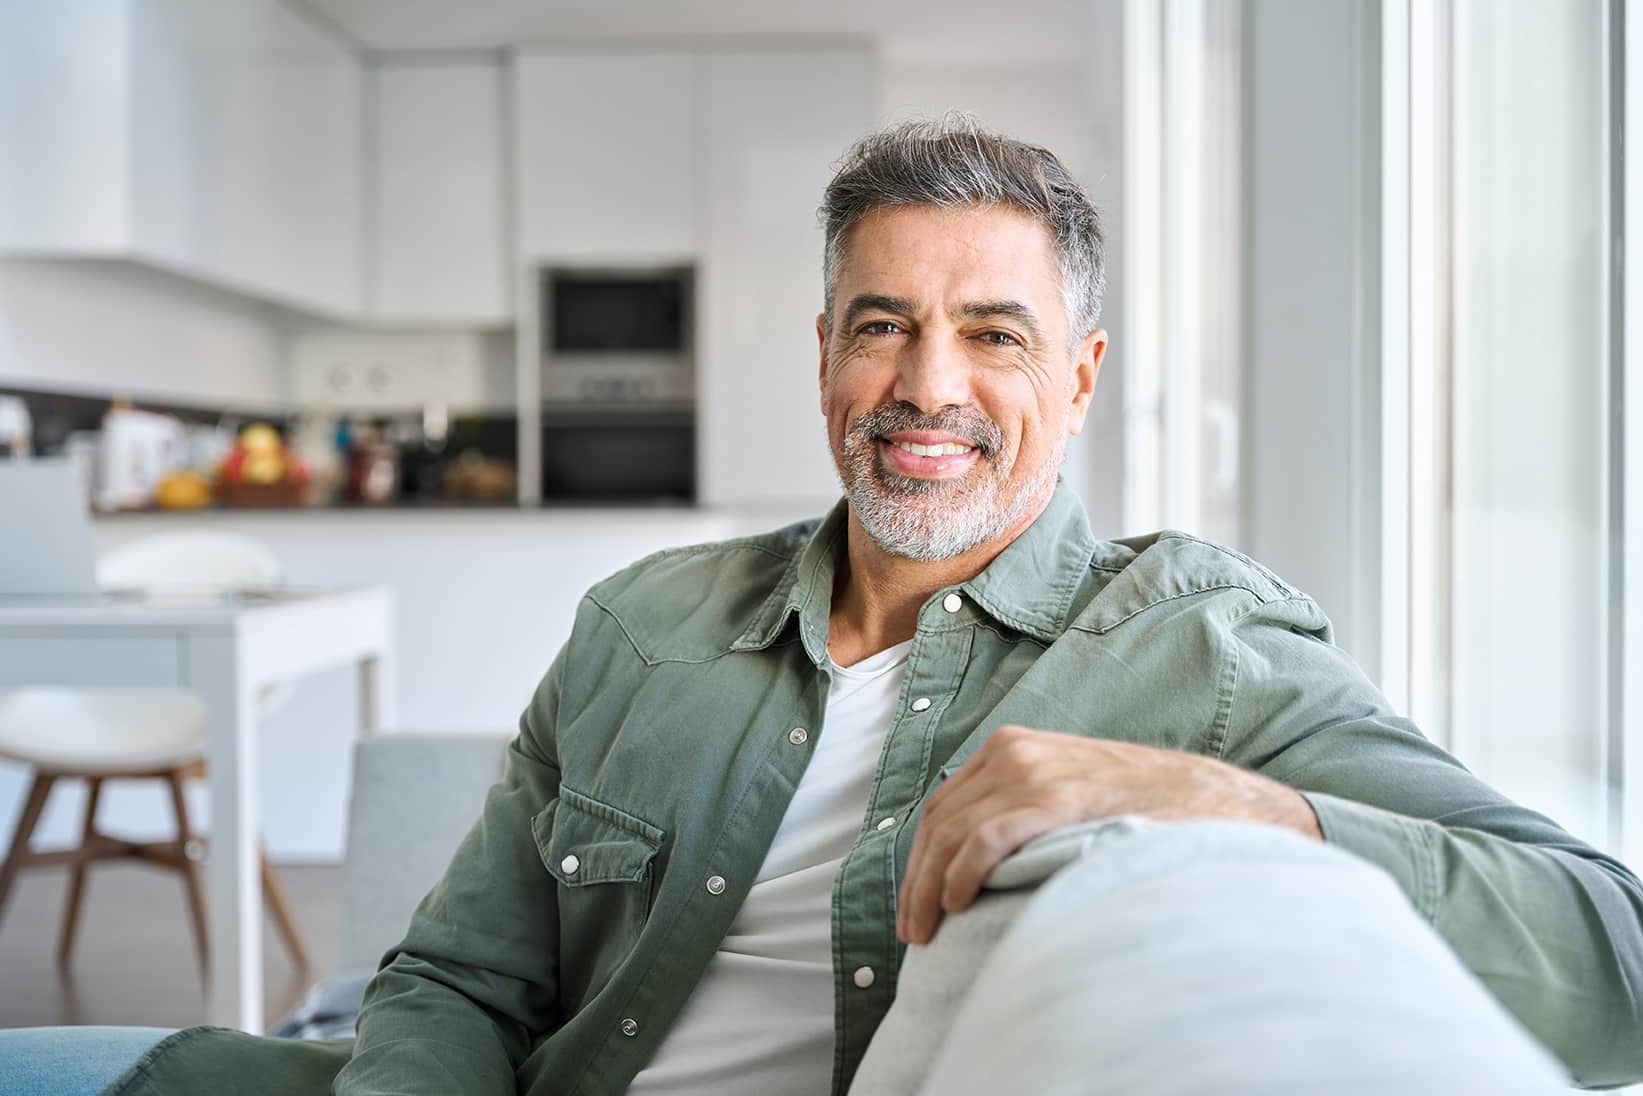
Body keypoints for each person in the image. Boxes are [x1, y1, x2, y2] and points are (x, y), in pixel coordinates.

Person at [19, 115, 1641, 1095]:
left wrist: (1215, 795)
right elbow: (455, 981)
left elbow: (1609, 952)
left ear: (1075, 382)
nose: (925, 387)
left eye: (993, 336)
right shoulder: (642, 622)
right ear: (821, 356)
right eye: (882, 325)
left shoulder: (1197, 645)